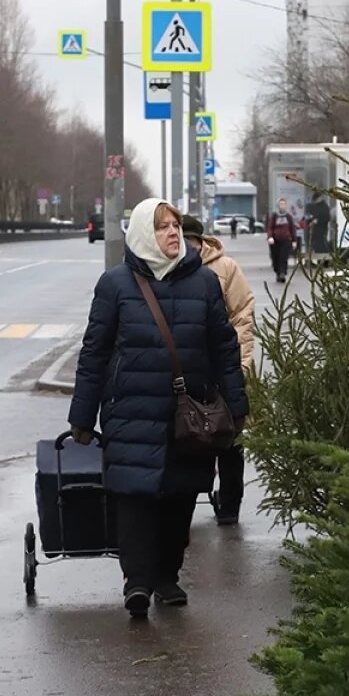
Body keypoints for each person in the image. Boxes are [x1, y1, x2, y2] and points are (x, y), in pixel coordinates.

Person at [68, 198, 249, 618]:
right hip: (131, 411)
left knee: (180, 496)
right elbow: (94, 353)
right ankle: (137, 581)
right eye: (163, 226)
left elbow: (224, 349)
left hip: (189, 413)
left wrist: (237, 405)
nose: (173, 233)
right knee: (134, 497)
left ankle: (167, 576)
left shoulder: (204, 283)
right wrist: (82, 416)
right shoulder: (115, 285)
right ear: (144, 234)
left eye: (176, 226)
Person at [182, 215, 255, 526]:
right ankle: (185, 501)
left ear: (201, 242)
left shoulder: (225, 268)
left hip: (224, 369)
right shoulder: (168, 268)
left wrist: (240, 364)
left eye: (191, 241)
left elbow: (242, 316)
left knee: (229, 437)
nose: (186, 247)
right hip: (188, 372)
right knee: (187, 435)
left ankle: (230, 503)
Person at [265, 197, 298, 283]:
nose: (282, 206)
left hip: (286, 239)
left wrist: (294, 241)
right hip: (275, 240)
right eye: (280, 204)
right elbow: (270, 228)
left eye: (283, 204)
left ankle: (283, 273)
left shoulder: (288, 217)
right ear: (278, 206)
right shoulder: (274, 216)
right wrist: (270, 237)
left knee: (284, 257)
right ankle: (278, 272)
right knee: (276, 257)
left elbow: (292, 229)